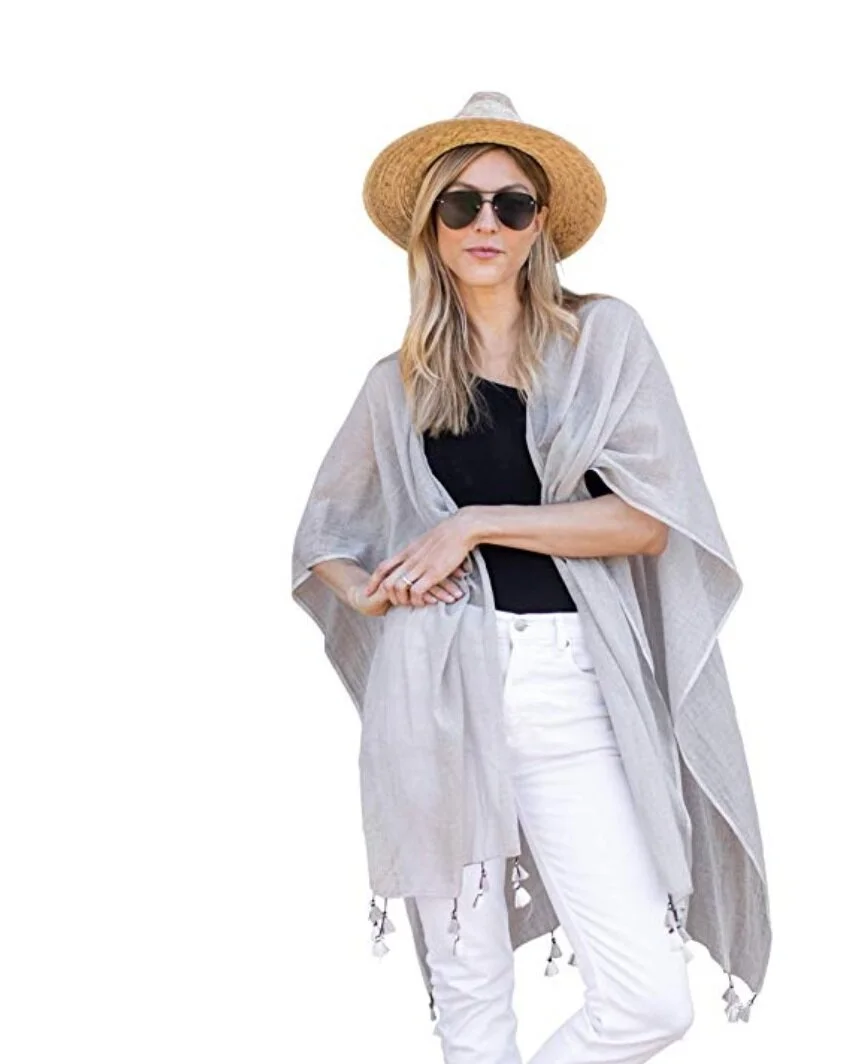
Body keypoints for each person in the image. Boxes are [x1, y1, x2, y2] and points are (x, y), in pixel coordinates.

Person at [291, 91, 770, 1064]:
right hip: (433, 692)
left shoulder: (601, 343)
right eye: (460, 203)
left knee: (647, 999)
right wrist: (374, 590)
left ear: (539, 223)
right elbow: (322, 542)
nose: (486, 224)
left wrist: (474, 523)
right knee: (468, 1001)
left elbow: (646, 520)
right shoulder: (398, 384)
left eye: (510, 205)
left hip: (566, 685)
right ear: (430, 224)